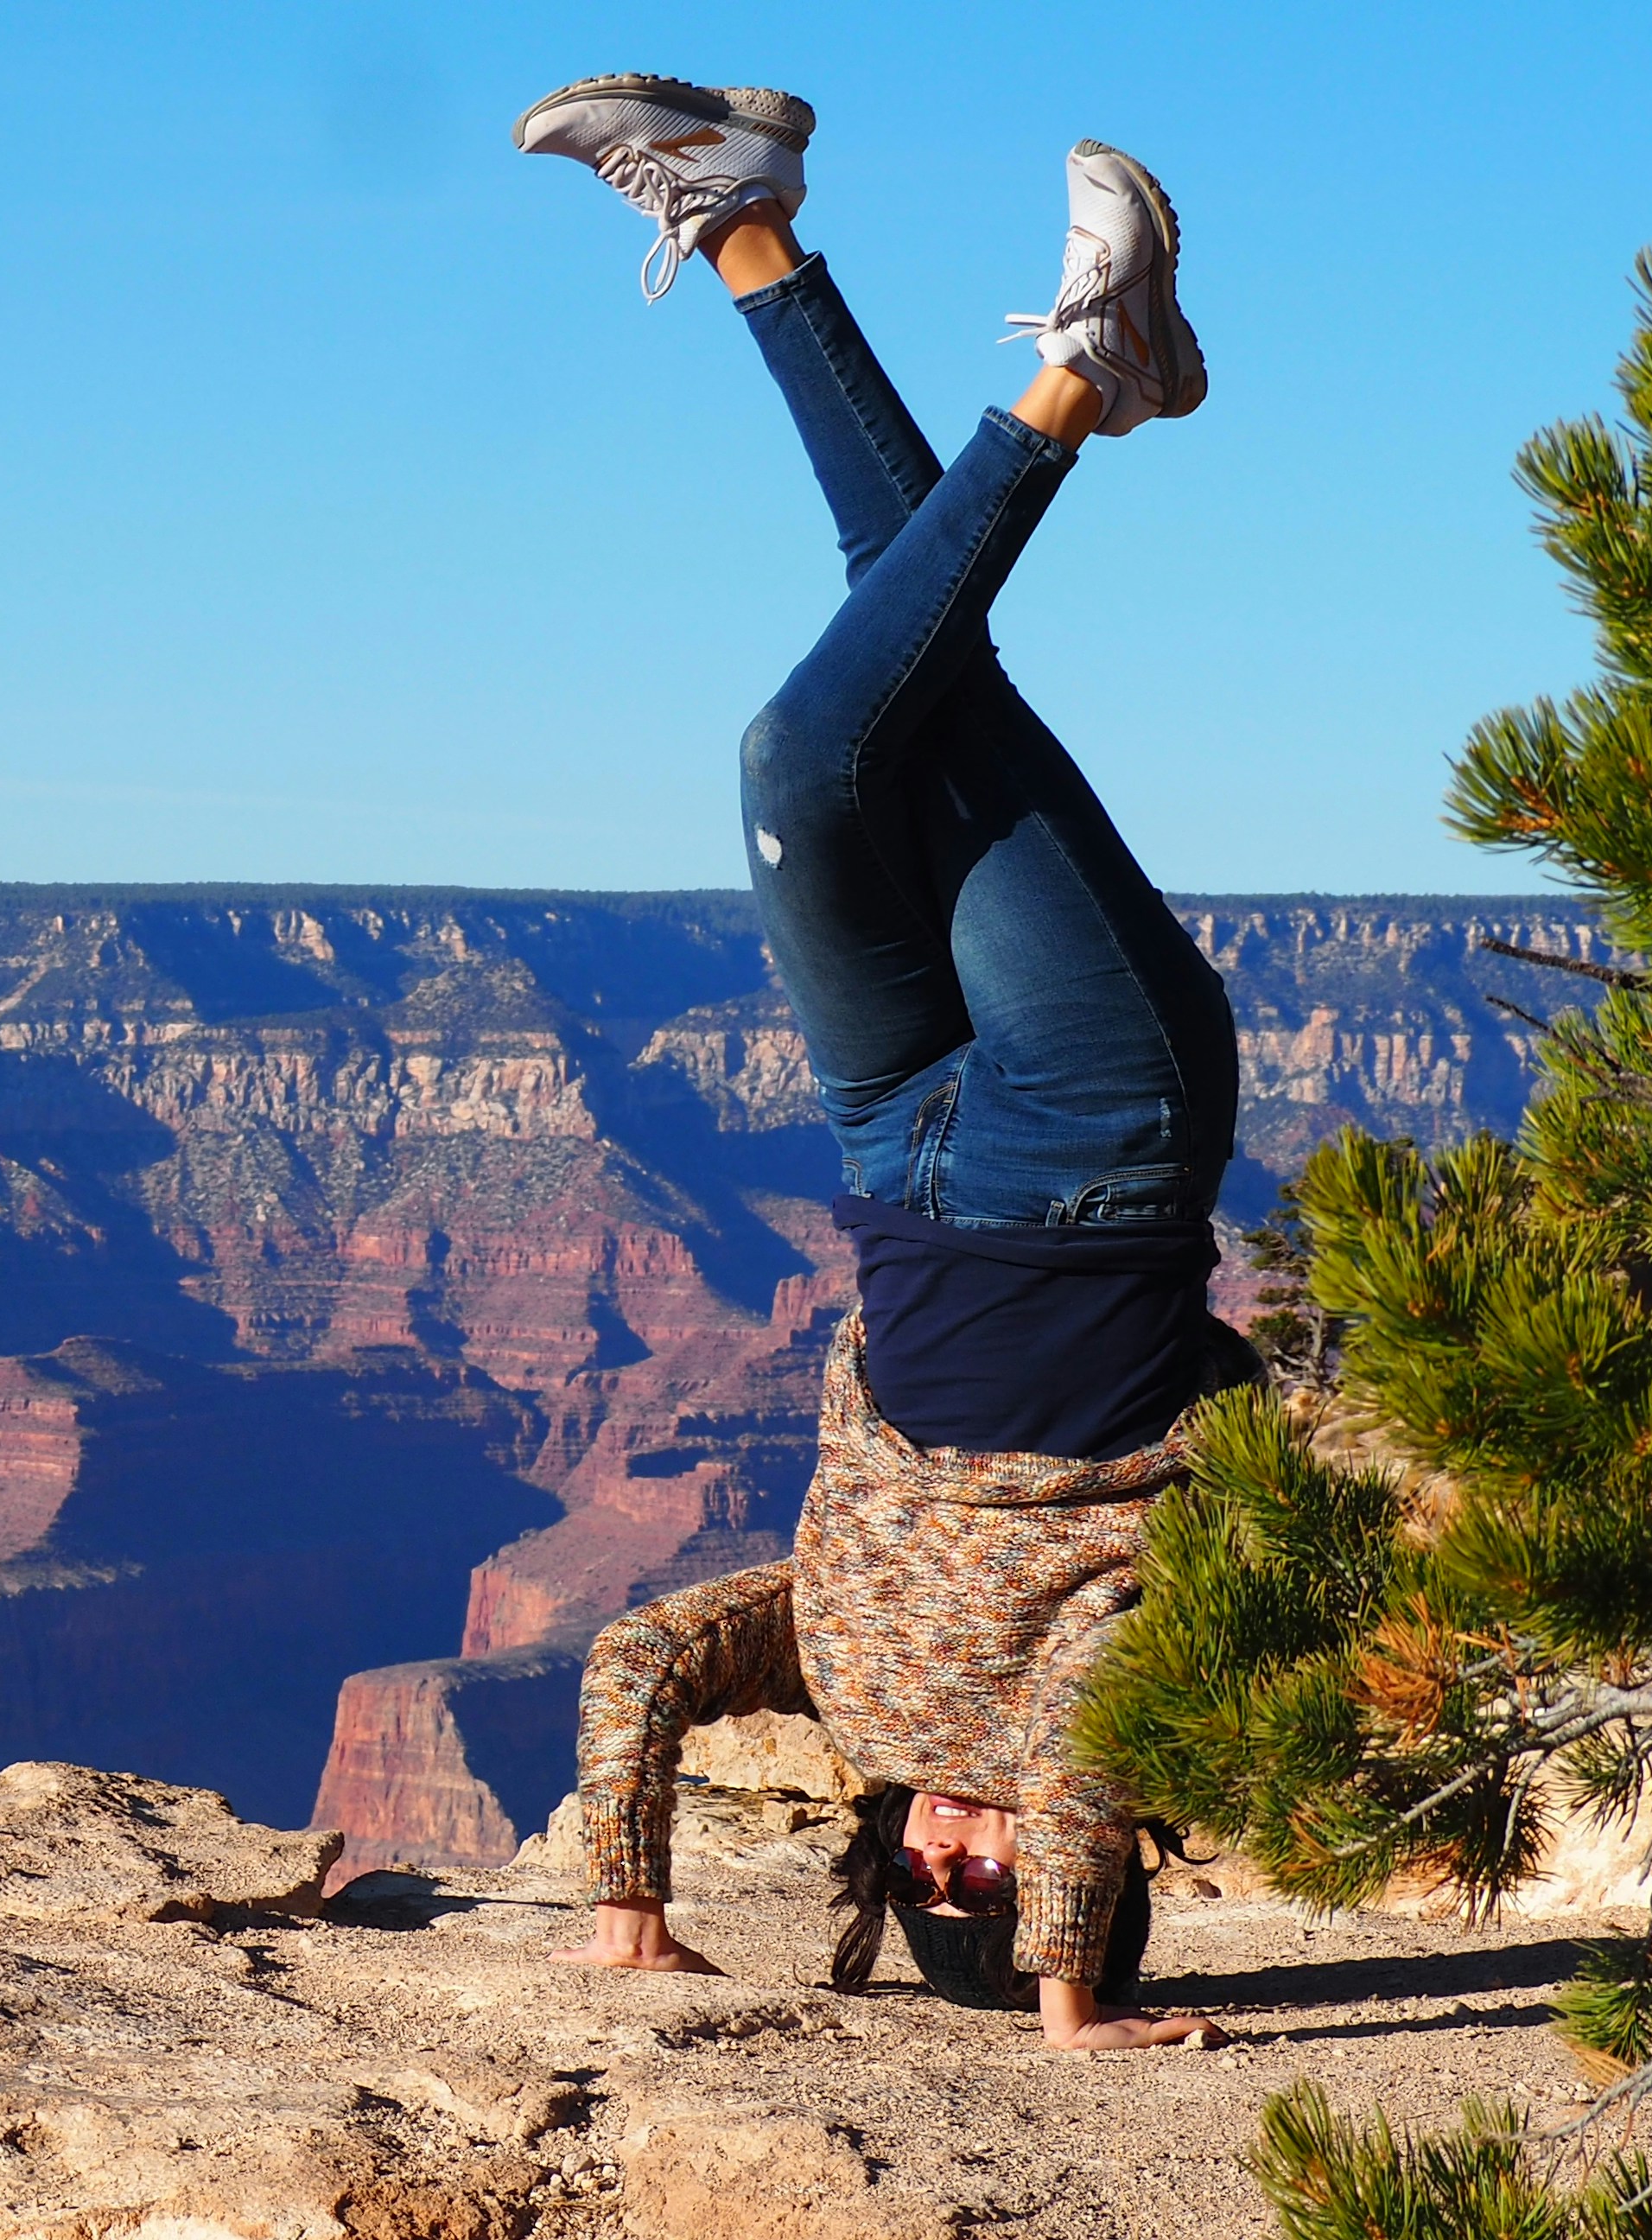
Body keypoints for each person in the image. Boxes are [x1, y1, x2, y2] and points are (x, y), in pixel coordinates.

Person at [508, 75, 1249, 2054]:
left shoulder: (838, 1682)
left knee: (875, 699)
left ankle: (756, 227)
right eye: (993, 1898)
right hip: (1097, 1139)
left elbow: (650, 1653)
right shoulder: (1116, 1693)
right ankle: (1086, 371)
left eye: (928, 1892)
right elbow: (1094, 1745)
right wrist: (1068, 1999)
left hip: (898, 1139)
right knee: (824, 735)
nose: (965, 1861)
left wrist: (629, 1911)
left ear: (876, 1857)